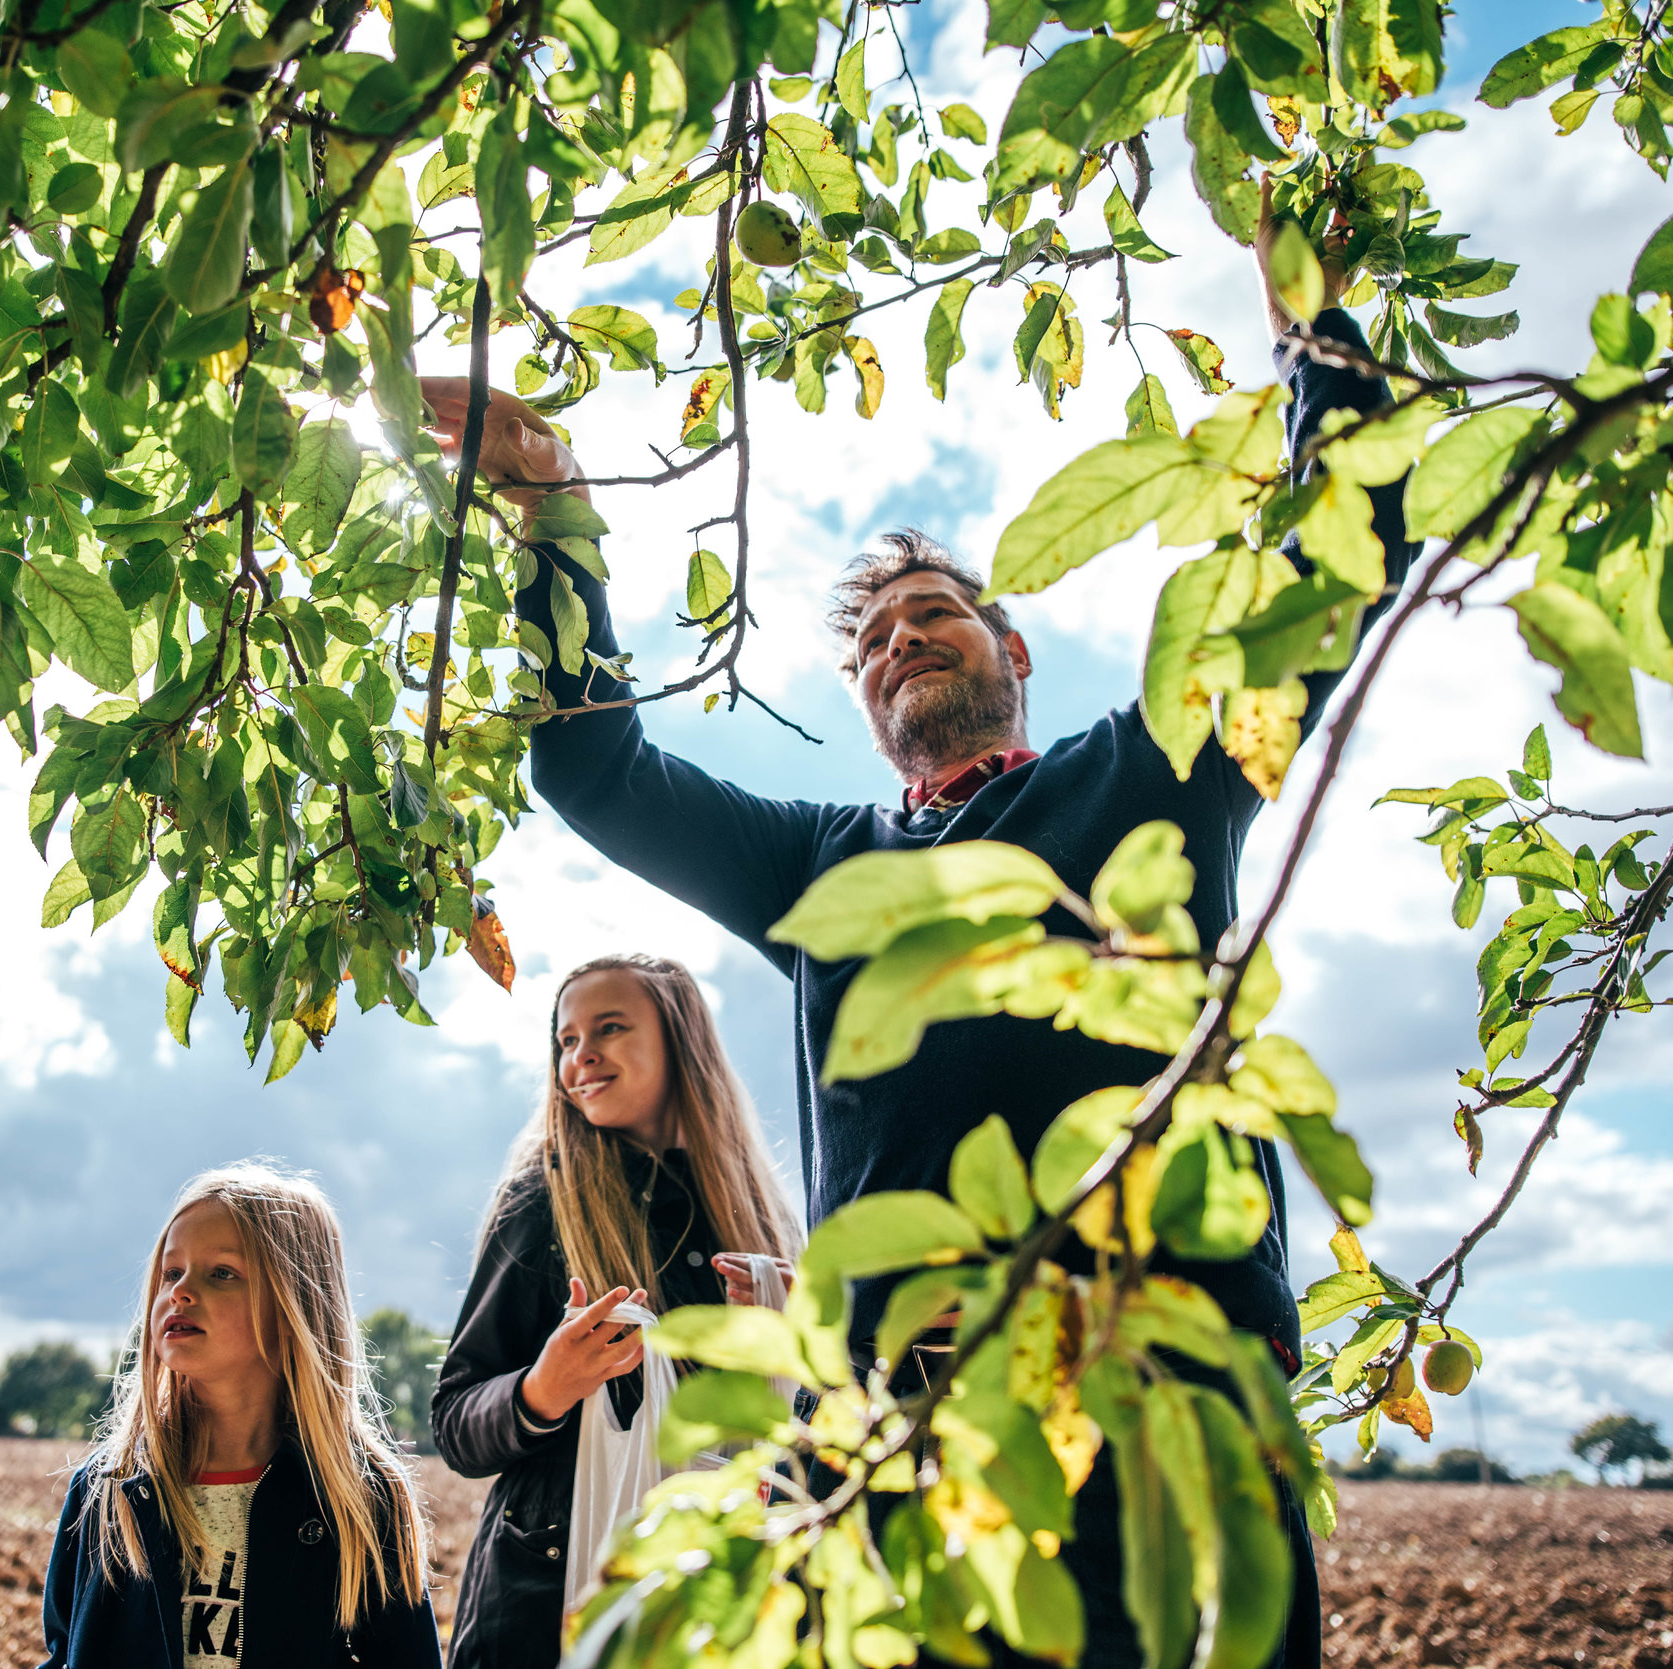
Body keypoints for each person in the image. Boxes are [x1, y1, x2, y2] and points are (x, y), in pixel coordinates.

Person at [423, 231, 1411, 1667]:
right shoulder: (824, 864)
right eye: (874, 639)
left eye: (933, 614)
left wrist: (1316, 333)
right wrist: (555, 518)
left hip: (1162, 1419)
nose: (901, 641)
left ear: (1012, 651)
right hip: (904, 1461)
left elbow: (1331, 581)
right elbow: (598, 777)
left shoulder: (1148, 773)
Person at [434, 953, 801, 1669]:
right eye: (565, 1040)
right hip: (545, 1610)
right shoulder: (543, 1204)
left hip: (708, 1607)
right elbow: (454, 1421)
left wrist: (805, 1325)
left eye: (608, 1027)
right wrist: (544, 1389)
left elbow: (807, 1421)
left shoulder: (761, 1221)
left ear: (681, 1040)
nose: (581, 1056)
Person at [39, 1161, 441, 1668]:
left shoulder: (361, 1499)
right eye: (171, 1272)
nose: (179, 1292)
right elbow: (62, 1653)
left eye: (222, 1274)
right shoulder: (105, 1490)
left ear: (295, 1308)